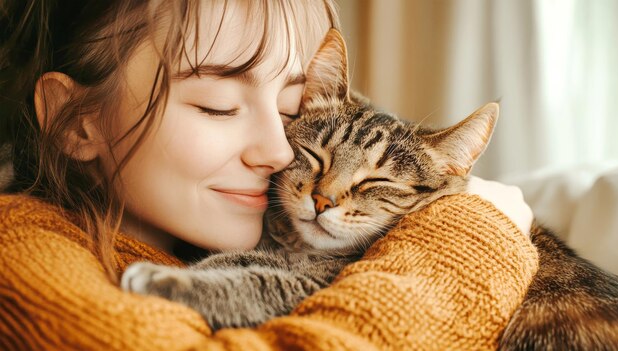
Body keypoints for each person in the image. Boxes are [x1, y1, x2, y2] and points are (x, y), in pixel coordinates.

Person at [0, 0, 538, 350]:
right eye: (217, 106)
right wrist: (473, 241)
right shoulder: (17, 249)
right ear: (78, 122)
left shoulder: (249, 235)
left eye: (289, 110)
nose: (280, 152)